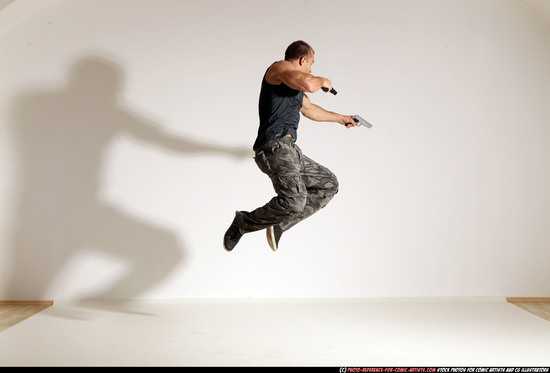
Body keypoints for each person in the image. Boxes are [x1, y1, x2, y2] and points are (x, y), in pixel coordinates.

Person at [223, 40, 358, 252]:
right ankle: (243, 222)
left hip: (291, 150)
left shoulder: (295, 88)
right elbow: (310, 84)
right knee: (294, 201)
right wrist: (322, 80)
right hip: (273, 147)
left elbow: (311, 110)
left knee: (328, 184)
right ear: (303, 60)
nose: (311, 69)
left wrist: (342, 118)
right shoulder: (279, 68)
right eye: (311, 64)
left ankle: (280, 224)